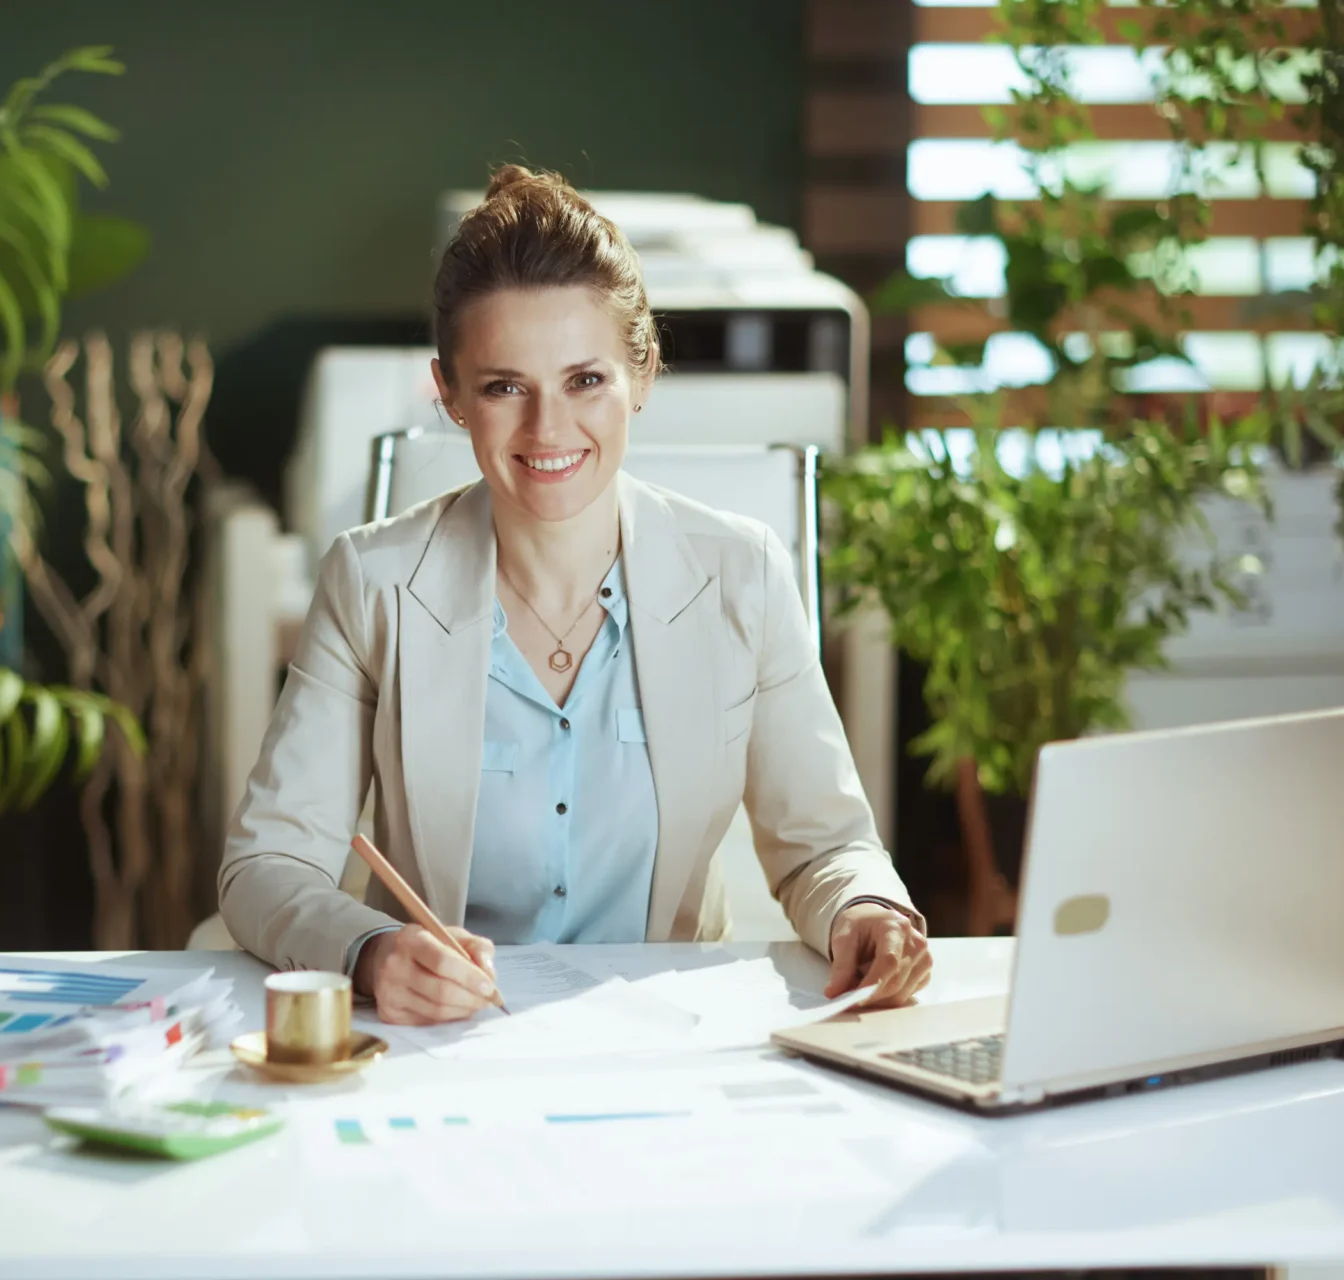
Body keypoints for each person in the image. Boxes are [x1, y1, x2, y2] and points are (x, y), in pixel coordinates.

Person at [219, 165, 929, 1026]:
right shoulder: (371, 583)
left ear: (644, 375)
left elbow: (827, 848)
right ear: (449, 396)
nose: (548, 430)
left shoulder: (744, 573)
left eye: (584, 381)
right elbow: (267, 867)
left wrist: (869, 912)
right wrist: (369, 952)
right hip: (441, 1046)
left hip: (669, 1044)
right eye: (504, 387)